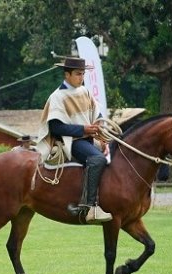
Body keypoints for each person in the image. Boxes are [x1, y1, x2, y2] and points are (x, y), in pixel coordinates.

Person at [36, 56, 111, 223]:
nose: (81, 77)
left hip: (89, 140)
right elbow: (55, 128)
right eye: (78, 74)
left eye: (83, 74)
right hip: (71, 142)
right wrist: (82, 129)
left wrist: (102, 137)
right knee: (97, 159)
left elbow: (97, 115)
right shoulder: (57, 97)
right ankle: (88, 207)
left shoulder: (85, 91)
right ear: (67, 75)